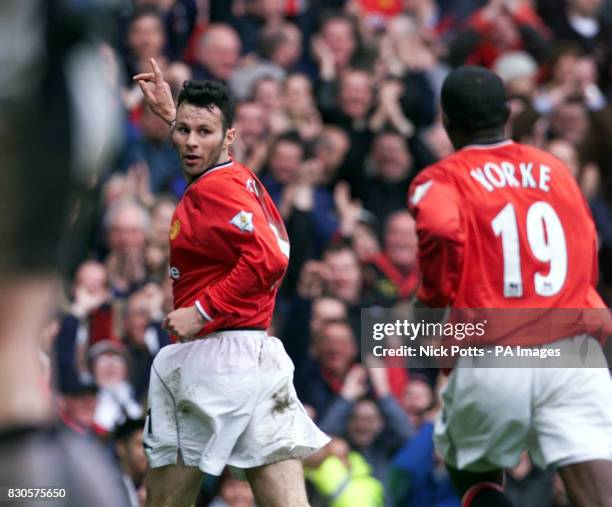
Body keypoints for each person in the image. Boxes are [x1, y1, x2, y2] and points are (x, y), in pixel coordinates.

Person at [407, 66, 612, 507]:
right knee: (597, 491)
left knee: (468, 461)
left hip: (496, 349)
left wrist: (429, 305)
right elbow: (588, 242)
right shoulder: (555, 168)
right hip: (574, 350)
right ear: (506, 115)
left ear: (447, 122)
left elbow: (441, 230)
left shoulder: (441, 178)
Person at [133, 58, 329, 507]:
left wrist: (200, 311)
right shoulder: (234, 177)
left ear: (230, 138)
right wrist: (173, 113)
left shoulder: (214, 190)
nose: (189, 142)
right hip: (258, 357)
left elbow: (272, 256)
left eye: (203, 132)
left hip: (210, 361)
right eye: (182, 130)